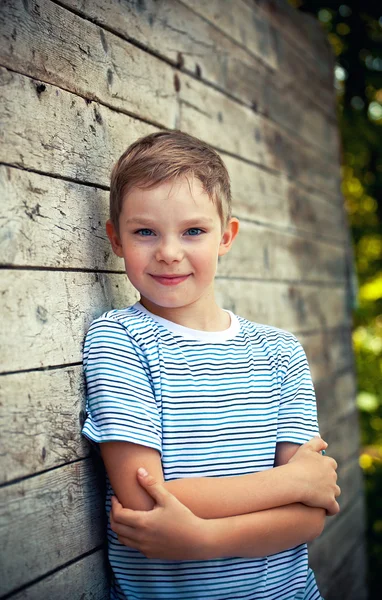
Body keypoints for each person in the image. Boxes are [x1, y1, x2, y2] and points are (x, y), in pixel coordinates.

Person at [81, 130, 340, 599]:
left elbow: (310, 515)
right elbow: (142, 500)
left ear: (227, 235)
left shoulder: (280, 352)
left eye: (193, 231)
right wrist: (290, 481)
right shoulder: (120, 340)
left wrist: (202, 538)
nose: (169, 252)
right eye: (145, 232)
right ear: (116, 239)